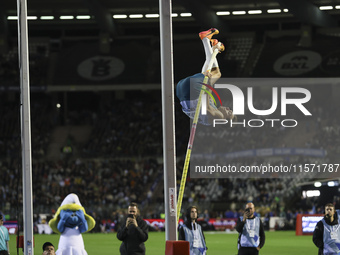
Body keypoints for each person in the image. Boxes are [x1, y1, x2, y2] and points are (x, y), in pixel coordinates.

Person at [176, 28, 235, 125]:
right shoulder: (214, 111)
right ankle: (211, 49)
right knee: (209, 75)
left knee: (216, 74)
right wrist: (207, 83)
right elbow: (205, 94)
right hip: (182, 91)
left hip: (190, 93)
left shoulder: (219, 117)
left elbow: (206, 108)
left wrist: (208, 84)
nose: (228, 108)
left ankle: (206, 41)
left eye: (229, 112)